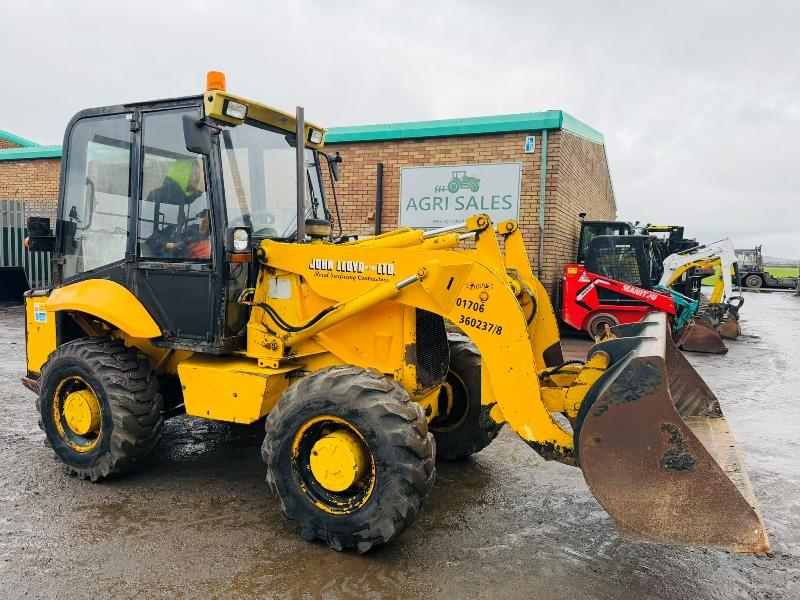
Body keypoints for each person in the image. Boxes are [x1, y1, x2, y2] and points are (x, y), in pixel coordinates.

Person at [145, 158, 211, 259]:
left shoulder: (201, 199)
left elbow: (203, 230)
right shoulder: (157, 197)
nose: (198, 178)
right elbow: (147, 233)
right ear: (182, 173)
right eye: (194, 174)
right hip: (160, 260)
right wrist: (174, 245)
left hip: (194, 260)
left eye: (199, 174)